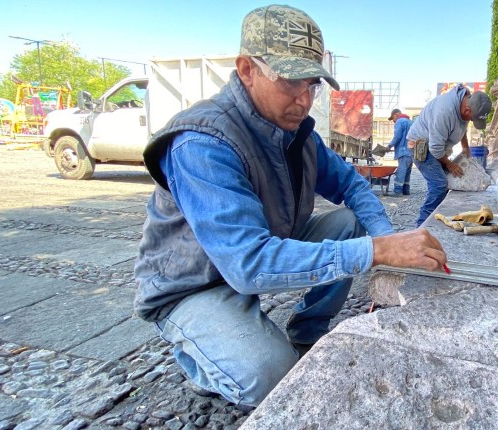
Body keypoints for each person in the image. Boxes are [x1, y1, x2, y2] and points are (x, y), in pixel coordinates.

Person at [133, 4, 447, 407]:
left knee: (350, 223)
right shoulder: (202, 143)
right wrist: (378, 250)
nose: (303, 99)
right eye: (290, 82)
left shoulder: (295, 132)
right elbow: (249, 264)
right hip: (194, 284)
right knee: (272, 378)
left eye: (312, 82)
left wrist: (386, 237)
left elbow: (351, 183)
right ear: (246, 69)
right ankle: (198, 357)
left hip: (255, 251)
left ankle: (305, 332)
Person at [406, 85, 492, 226]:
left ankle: (436, 219)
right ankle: (422, 226)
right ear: (466, 109)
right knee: (439, 184)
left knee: (446, 181)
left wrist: (465, 146)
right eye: (472, 118)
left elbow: (463, 125)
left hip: (436, 147)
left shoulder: (465, 102)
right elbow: (435, 149)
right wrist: (449, 164)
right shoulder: (444, 112)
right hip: (421, 147)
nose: (471, 121)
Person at [386, 108, 413, 196]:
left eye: (393, 118)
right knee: (407, 171)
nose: (393, 121)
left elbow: (397, 137)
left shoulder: (400, 121)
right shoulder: (410, 122)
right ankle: (406, 190)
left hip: (403, 151)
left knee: (401, 170)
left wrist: (389, 146)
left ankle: (398, 191)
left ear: (396, 115)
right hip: (411, 151)